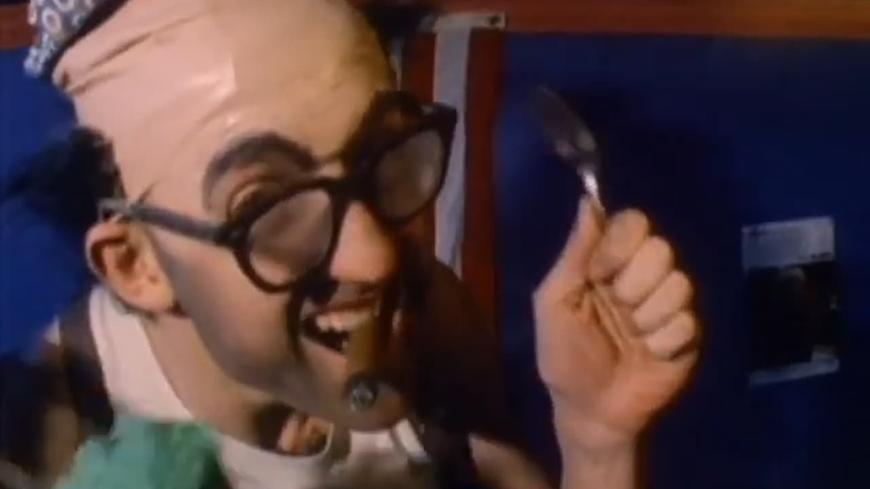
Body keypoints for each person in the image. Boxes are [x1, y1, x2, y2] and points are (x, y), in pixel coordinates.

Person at [7, 0, 699, 488]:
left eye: (382, 156)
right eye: (272, 209)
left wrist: (596, 441)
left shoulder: (428, 320)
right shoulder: (41, 445)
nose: (377, 259)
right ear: (137, 265)